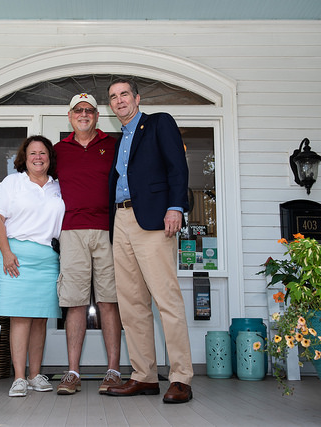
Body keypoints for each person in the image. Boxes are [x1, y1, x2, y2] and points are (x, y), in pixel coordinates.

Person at [104, 77, 194, 404]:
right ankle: (144, 376)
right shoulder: (120, 139)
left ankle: (181, 376)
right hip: (122, 220)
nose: (119, 100)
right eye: (113, 97)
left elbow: (177, 167)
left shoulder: (158, 124)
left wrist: (175, 206)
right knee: (131, 304)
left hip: (154, 220)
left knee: (166, 299)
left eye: (124, 94)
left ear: (137, 98)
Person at [54, 93, 123, 395]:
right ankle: (72, 373)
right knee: (75, 302)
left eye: (89, 111)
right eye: (78, 110)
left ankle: (113, 370)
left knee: (109, 300)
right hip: (71, 232)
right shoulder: (57, 151)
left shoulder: (113, 146)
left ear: (97, 116)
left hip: (109, 231)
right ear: (70, 116)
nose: (84, 115)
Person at [0, 135, 65, 397]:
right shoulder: (13, 182)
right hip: (16, 257)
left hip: (47, 259)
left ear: (49, 157)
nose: (38, 157)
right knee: (20, 317)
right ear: (25, 157)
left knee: (41, 318)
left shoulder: (57, 187)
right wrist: (6, 252)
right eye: (33, 153)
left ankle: (35, 375)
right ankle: (19, 377)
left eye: (43, 153)